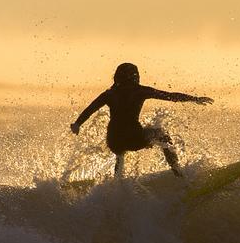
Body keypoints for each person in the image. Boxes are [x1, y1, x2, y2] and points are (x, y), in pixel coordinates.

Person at [70, 63, 213, 178]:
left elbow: (90, 109)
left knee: (120, 151)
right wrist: (194, 99)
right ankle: (178, 172)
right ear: (134, 77)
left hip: (113, 140)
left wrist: (77, 124)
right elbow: (170, 96)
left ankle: (117, 180)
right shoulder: (139, 91)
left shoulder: (109, 94)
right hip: (134, 138)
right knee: (162, 135)